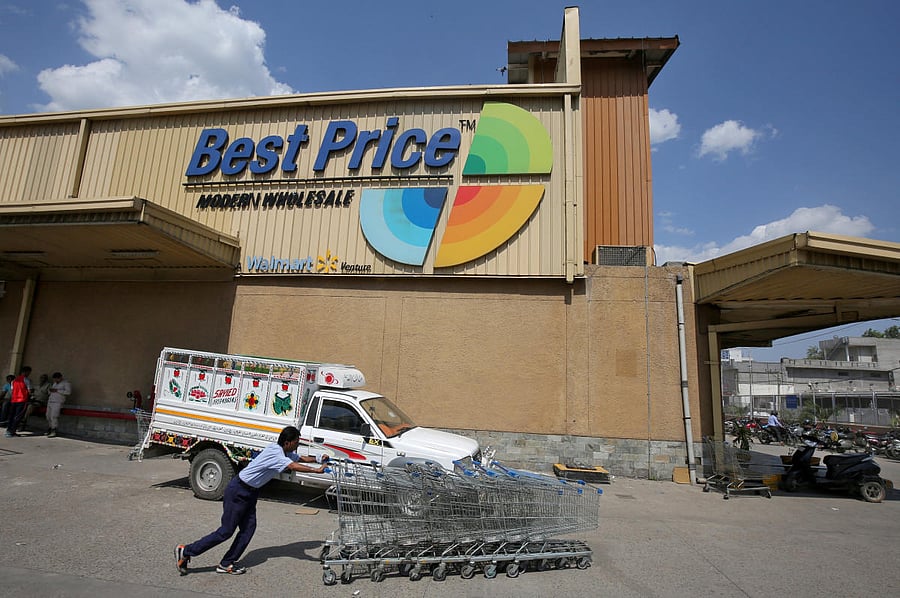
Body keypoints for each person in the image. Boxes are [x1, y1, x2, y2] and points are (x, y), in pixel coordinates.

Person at [174, 426, 329, 576]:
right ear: (288, 442)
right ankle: (186, 551)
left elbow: (300, 458)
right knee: (226, 531)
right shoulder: (276, 453)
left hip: (250, 492)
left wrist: (318, 458)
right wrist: (316, 470)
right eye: (296, 443)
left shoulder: (283, 451)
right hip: (238, 491)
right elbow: (293, 466)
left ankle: (226, 563)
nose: (297, 446)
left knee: (249, 528)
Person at [5, 366, 33, 438]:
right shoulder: (26, 380)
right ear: (27, 372)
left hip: (14, 400)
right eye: (29, 372)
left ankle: (8, 430)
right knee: (18, 416)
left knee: (11, 415)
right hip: (22, 400)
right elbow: (30, 391)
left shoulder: (14, 380)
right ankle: (12, 432)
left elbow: (12, 390)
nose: (29, 374)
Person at [46, 372, 71, 438]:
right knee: (48, 416)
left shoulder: (66, 383)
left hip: (58, 402)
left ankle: (54, 430)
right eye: (55, 379)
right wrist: (50, 390)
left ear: (60, 377)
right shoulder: (54, 383)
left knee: (54, 416)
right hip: (51, 401)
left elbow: (68, 392)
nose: (56, 380)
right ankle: (50, 428)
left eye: (57, 379)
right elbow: (52, 391)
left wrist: (57, 390)